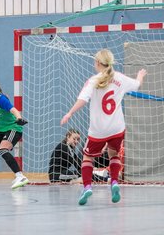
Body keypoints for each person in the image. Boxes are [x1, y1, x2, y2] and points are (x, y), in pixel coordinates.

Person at [61, 49, 147, 205]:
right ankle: (114, 182)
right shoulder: (120, 78)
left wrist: (70, 113)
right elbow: (137, 85)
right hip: (117, 128)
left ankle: (87, 187)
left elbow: (83, 100)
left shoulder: (93, 81)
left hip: (98, 130)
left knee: (87, 157)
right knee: (114, 154)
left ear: (98, 63)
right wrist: (140, 76)